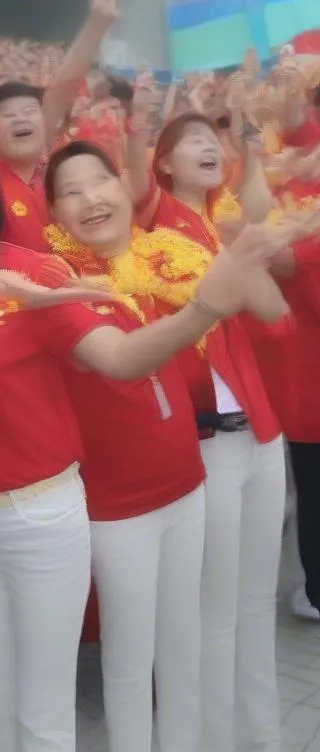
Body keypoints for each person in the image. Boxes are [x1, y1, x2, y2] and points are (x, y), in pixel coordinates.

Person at [0, 117, 273, 752]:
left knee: (43, 716)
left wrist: (203, 307)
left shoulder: (29, 272)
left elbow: (118, 359)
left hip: (41, 515)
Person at [43, 139, 297, 752]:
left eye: (99, 182)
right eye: (69, 193)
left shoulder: (173, 254)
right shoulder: (64, 287)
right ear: (53, 217)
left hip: (187, 482)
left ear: (124, 188)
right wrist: (205, 304)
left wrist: (238, 250)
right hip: (124, 498)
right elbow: (127, 361)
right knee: (135, 661)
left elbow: (273, 314)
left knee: (183, 647)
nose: (90, 199)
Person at [125, 108, 289, 752]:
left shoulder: (220, 224)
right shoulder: (152, 222)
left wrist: (244, 245)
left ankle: (266, 737)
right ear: (163, 163)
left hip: (261, 432)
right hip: (209, 440)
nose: (207, 148)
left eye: (212, 141)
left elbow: (274, 314)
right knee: (215, 616)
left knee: (254, 607)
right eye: (190, 141)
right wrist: (136, 124)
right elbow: (131, 176)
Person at [0, 0, 120, 251]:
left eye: (30, 112)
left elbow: (62, 88)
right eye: (8, 115)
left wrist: (99, 23)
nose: (20, 119)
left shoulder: (55, 178)